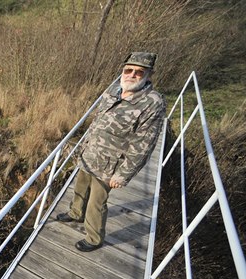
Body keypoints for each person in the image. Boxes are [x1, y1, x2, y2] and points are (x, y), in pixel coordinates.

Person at [56, 52, 166, 252]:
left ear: (148, 75)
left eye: (138, 72)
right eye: (128, 70)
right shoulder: (113, 90)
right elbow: (97, 120)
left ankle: (94, 237)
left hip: (111, 163)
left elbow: (143, 144)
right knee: (80, 187)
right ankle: (75, 212)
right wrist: (83, 147)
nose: (132, 75)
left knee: (97, 202)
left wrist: (123, 175)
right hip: (90, 154)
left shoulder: (153, 103)